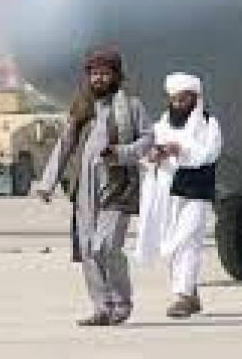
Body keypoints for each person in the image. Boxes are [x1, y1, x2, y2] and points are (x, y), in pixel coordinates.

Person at [36, 46, 152, 326]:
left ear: (116, 75)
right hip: (85, 186)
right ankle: (102, 307)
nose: (99, 79)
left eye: (105, 73)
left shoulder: (132, 106)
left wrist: (122, 153)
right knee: (88, 248)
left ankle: (122, 302)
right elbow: (65, 145)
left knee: (107, 245)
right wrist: (48, 182)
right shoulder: (81, 108)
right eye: (94, 74)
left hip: (118, 184)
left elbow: (148, 140)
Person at [134, 72, 222, 318]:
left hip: (195, 191)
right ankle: (190, 293)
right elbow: (145, 156)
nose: (179, 104)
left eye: (184, 99)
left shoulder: (209, 125)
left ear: (195, 99)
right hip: (165, 193)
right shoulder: (160, 126)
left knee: (188, 239)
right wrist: (153, 155)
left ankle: (182, 296)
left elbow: (209, 154)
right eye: (174, 99)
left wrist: (181, 150)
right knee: (171, 243)